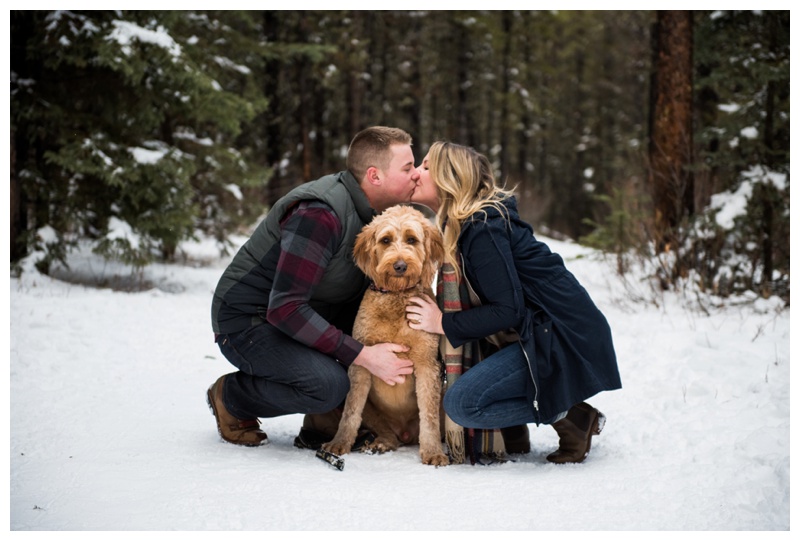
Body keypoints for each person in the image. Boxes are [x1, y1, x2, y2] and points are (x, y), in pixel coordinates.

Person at [406, 141, 622, 464]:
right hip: (542, 331)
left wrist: (441, 322)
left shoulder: (482, 230)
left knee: (463, 405)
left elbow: (508, 310)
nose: (416, 173)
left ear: (448, 178)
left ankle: (574, 417)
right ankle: (523, 427)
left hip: (561, 336)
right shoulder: (469, 224)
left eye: (425, 166)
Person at [208, 126, 420, 447]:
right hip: (250, 322)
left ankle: (333, 417)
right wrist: (362, 354)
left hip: (301, 314)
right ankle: (233, 397)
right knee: (327, 386)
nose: (417, 174)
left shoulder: (377, 215)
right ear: (375, 176)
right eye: (408, 168)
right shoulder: (321, 214)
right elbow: (285, 308)